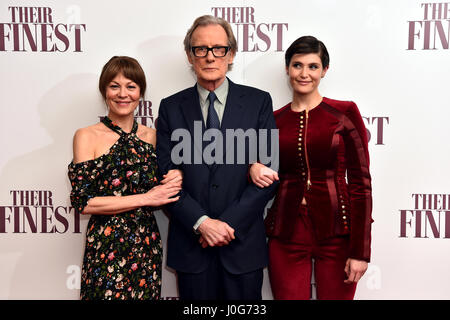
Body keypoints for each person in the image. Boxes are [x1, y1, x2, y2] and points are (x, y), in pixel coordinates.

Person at [156, 15, 279, 300]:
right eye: (201, 49)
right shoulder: (171, 108)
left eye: (218, 49)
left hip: (242, 247)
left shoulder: (259, 102)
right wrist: (202, 222)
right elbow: (165, 175)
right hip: (191, 245)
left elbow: (269, 174)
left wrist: (227, 224)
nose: (210, 57)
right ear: (190, 55)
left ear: (231, 53)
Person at [249, 36, 373, 300]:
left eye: (313, 66)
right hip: (286, 234)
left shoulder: (344, 113)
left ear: (324, 70)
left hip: (339, 234)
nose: (304, 74)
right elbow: (257, 169)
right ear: (287, 68)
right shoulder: (273, 120)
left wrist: (360, 252)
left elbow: (361, 184)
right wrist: (252, 166)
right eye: (297, 65)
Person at [68, 56, 182, 300]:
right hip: (104, 246)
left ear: (140, 93)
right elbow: (84, 202)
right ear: (104, 91)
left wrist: (177, 175)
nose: (123, 94)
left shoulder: (154, 136)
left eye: (131, 86)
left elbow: (169, 185)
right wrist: (146, 198)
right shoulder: (86, 136)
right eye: (114, 86)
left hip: (146, 245)